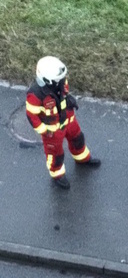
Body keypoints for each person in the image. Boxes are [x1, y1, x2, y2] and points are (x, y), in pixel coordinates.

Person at [25, 56, 101, 190]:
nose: (62, 80)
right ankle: (57, 174)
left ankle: (82, 159)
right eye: (58, 79)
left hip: (69, 120)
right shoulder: (36, 95)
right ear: (47, 80)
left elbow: (64, 95)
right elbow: (32, 116)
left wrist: (69, 101)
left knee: (78, 139)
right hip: (52, 131)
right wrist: (43, 130)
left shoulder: (60, 81)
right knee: (55, 154)